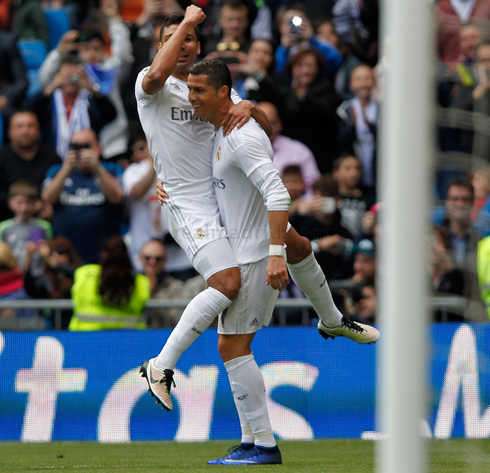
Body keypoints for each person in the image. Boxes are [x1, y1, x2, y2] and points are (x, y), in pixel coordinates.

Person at [137, 8, 379, 420]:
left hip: (225, 194)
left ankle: (333, 319)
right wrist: (190, 20)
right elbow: (158, 76)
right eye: (175, 38)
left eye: (191, 39)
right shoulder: (151, 84)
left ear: (199, 49)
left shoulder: (207, 88)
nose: (184, 44)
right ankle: (159, 365)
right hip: (187, 203)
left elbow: (264, 128)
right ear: (162, 46)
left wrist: (252, 108)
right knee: (228, 283)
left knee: (297, 241)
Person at [39, 0, 134, 159]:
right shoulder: (75, 73)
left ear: (104, 50)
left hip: (112, 144)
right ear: (78, 52)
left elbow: (123, 56)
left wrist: (115, 20)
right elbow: (45, 79)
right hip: (78, 144)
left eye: (96, 48)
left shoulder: (110, 70)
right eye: (85, 49)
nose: (91, 54)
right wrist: (60, 51)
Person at [41, 128, 124, 264]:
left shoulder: (111, 169)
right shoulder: (57, 170)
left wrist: (97, 168)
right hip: (66, 253)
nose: (81, 152)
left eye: (86, 146)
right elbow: (47, 198)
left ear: (97, 148)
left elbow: (117, 197)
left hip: (103, 250)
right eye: (76, 146)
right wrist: (66, 169)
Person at [254, 48, 341, 172]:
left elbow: (324, 112)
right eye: (299, 65)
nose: (304, 70)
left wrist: (303, 94)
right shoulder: (286, 92)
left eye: (309, 66)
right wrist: (257, 75)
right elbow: (273, 94)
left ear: (318, 69)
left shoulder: (326, 90)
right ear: (292, 68)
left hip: (321, 156)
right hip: (289, 158)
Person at [27, 55, 117, 159]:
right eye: (66, 75)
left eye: (74, 76)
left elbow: (111, 114)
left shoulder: (90, 101)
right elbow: (28, 111)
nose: (70, 80)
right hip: (52, 160)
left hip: (87, 161)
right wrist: (51, 87)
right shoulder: (49, 102)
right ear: (58, 76)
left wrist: (91, 88)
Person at [69, 235, 151, 330]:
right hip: (129, 339)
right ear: (126, 256)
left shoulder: (83, 273)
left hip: (84, 336)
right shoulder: (141, 281)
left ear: (103, 254)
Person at [0, 110, 61, 221]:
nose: (25, 130)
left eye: (30, 126)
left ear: (38, 130)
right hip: (6, 221)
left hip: (45, 219)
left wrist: (45, 206)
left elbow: (63, 187)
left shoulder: (51, 156)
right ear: (9, 131)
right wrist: (24, 205)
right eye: (20, 126)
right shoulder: (2, 156)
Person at [256, 101, 320, 193]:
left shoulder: (299, 151)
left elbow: (314, 188)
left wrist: (301, 205)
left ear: (279, 125)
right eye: (260, 124)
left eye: (271, 123)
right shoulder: (240, 150)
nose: (266, 129)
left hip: (292, 206)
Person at [139, 239, 206, 328]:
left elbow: (177, 320)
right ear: (140, 259)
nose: (152, 262)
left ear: (165, 261)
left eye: (158, 259)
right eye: (147, 258)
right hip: (133, 336)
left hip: (163, 336)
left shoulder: (176, 286)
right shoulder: (130, 284)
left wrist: (153, 295)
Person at [337, 64, 378, 196]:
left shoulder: (383, 108)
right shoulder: (345, 110)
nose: (363, 84)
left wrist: (372, 127)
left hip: (378, 166)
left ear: (374, 81)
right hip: (357, 165)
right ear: (351, 84)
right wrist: (352, 126)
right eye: (358, 79)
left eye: (367, 78)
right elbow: (342, 143)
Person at [24, 236, 81, 329]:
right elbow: (30, 289)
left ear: (70, 254)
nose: (55, 255)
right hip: (53, 329)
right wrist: (28, 258)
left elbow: (77, 274)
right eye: (52, 252)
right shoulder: (46, 277)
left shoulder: (78, 271)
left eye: (61, 251)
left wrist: (55, 265)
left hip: (74, 326)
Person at [122, 133, 159, 271]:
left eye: (141, 148)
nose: (137, 153)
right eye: (133, 152)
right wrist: (155, 164)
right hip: (144, 251)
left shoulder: (173, 165)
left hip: (176, 252)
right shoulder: (133, 170)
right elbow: (136, 191)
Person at [0, 180, 52, 268]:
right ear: (10, 202)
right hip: (13, 274)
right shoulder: (3, 227)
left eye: (28, 202)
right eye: (19, 203)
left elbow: (49, 251)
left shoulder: (44, 226)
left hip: (39, 273)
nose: (24, 208)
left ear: (35, 203)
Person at [332, 154, 369, 241]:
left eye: (357, 168)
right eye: (348, 168)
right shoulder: (331, 197)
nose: (354, 173)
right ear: (336, 173)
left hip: (359, 241)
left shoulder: (365, 198)